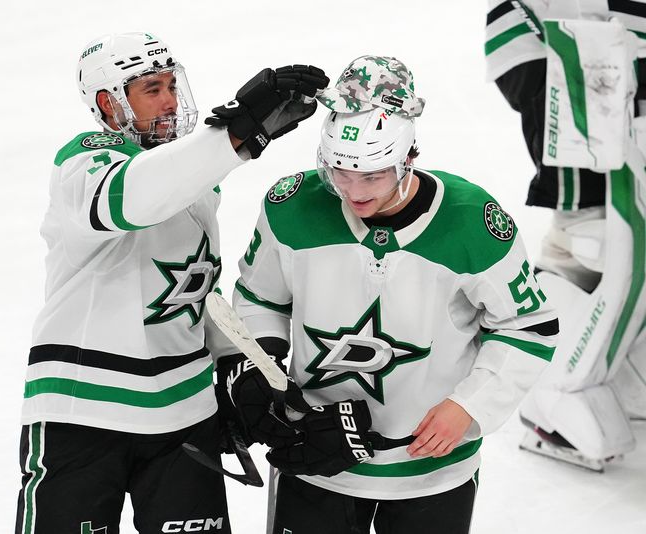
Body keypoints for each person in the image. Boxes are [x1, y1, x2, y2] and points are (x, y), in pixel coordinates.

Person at [215, 56, 559, 534]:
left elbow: (528, 326)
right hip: (314, 455)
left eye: (373, 175)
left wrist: (470, 406)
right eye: (339, 171)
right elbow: (260, 298)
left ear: (408, 157)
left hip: (432, 471)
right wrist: (264, 363)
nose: (353, 191)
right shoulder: (291, 205)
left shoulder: (472, 221)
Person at [15, 31, 328, 534]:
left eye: (170, 86)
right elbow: (137, 197)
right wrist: (239, 134)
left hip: (183, 417)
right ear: (108, 103)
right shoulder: (84, 161)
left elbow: (199, 291)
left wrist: (237, 366)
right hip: (83, 411)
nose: (169, 101)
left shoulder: (197, 181)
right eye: (151, 90)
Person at [486, 0, 646, 470]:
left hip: (616, 59)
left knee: (629, 231)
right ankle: (551, 393)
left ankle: (621, 371)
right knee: (595, 233)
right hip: (575, 57)